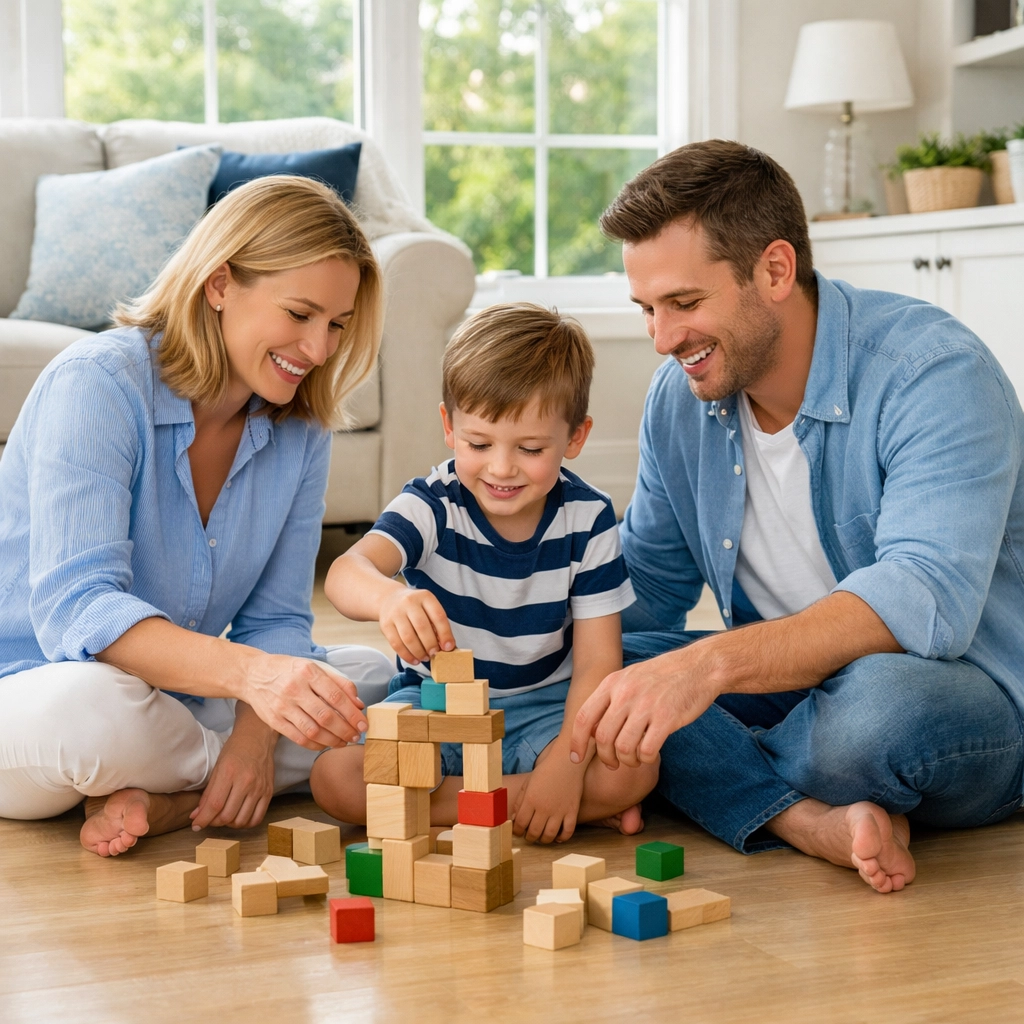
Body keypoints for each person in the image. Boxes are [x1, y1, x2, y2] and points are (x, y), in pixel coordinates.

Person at [569, 140, 1024, 892]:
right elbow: (643, 583)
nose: (662, 338)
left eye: (684, 304)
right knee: (592, 664)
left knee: (875, 718)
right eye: (647, 309)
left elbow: (926, 600)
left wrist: (705, 669)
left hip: (965, 691)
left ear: (775, 270)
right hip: (784, 681)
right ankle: (803, 817)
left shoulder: (934, 371)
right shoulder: (679, 398)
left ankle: (729, 773)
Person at [0, 175, 395, 857]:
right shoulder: (96, 384)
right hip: (38, 692)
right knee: (92, 708)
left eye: (337, 324)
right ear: (219, 284)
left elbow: (277, 622)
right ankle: (228, 782)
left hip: (177, 699)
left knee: (369, 679)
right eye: (299, 314)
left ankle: (179, 793)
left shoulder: (303, 430)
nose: (319, 349)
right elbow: (79, 610)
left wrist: (254, 733)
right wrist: (256, 689)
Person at [310, 303, 658, 842]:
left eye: (531, 448)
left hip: (544, 710)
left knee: (637, 767)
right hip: (437, 709)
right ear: (449, 426)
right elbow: (346, 571)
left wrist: (565, 764)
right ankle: (532, 803)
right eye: (479, 444)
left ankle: (525, 797)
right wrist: (387, 599)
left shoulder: (588, 519)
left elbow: (597, 662)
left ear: (575, 439)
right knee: (335, 778)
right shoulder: (432, 505)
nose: (501, 468)